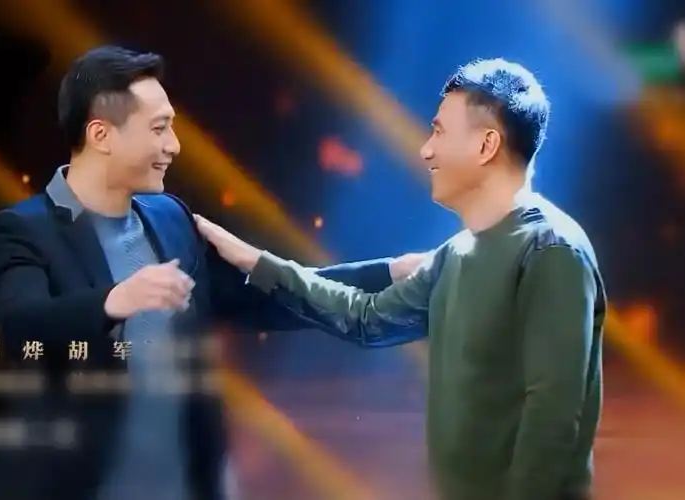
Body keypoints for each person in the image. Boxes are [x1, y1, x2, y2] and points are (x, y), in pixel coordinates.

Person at [0, 45, 424, 500]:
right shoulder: (22, 230)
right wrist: (115, 301)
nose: (173, 145)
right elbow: (22, 325)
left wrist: (386, 274)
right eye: (159, 129)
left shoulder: (170, 219)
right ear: (101, 134)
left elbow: (258, 298)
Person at [195, 58, 606, 500]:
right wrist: (257, 262)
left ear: (487, 145)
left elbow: (553, 420)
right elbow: (366, 318)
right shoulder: (456, 253)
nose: (426, 151)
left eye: (439, 132)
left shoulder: (550, 250)